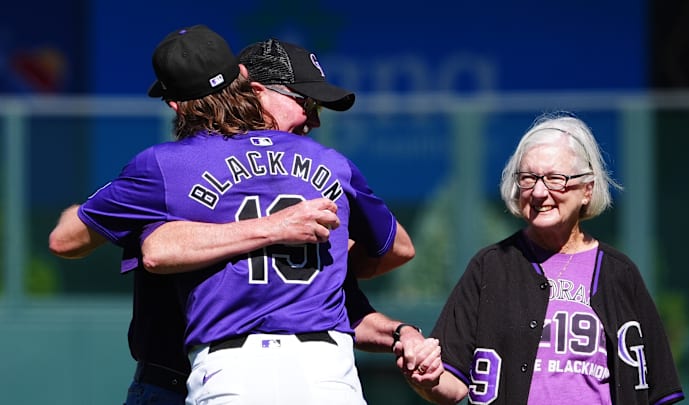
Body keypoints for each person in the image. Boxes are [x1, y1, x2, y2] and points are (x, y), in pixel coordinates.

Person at [48, 26, 439, 405]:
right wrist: (277, 230)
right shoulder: (327, 164)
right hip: (308, 372)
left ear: (173, 103)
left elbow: (70, 239)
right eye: (306, 102)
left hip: (226, 370)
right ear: (248, 83)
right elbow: (156, 251)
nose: (315, 119)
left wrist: (386, 318)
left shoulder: (165, 169)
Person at [407, 112, 684, 404]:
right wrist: (427, 377)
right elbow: (453, 382)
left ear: (587, 190)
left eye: (555, 179)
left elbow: (656, 388)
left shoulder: (619, 274)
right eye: (528, 178)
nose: (539, 192)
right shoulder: (490, 267)